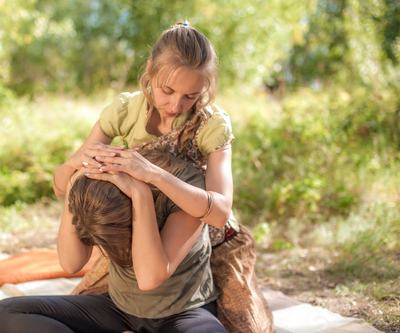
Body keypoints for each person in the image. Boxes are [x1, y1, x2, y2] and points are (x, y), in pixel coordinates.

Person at [53, 22, 274, 332]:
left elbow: (220, 212)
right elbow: (64, 186)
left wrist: (152, 175)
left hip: (202, 234)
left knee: (247, 324)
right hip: (141, 229)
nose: (175, 105)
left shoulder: (211, 125)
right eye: (167, 90)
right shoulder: (127, 110)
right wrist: (75, 164)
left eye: (191, 95)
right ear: (149, 72)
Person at [0, 150, 227, 332]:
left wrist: (141, 196)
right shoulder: (102, 189)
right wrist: (75, 182)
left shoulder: (188, 187)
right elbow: (71, 263)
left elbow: (149, 278)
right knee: (7, 311)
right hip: (120, 310)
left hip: (184, 312)